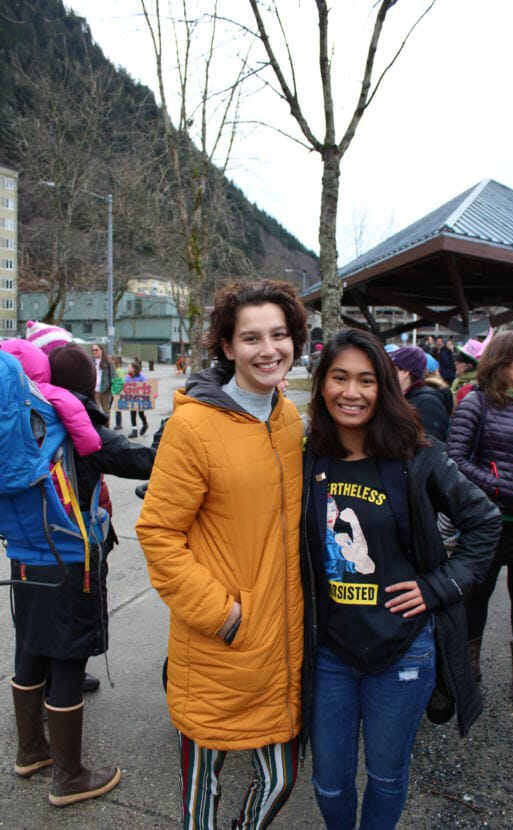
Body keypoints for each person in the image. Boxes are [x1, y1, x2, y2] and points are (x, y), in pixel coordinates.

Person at [300, 328, 500, 830]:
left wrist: (436, 588)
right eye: (340, 378)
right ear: (322, 385)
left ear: (385, 387)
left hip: (403, 650)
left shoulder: (417, 456)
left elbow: (485, 522)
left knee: (387, 777)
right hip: (329, 651)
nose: (352, 391)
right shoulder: (305, 459)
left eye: (367, 380)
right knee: (328, 781)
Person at [136, 280, 308, 830]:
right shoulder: (194, 425)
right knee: (201, 798)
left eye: (279, 335)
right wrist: (225, 616)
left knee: (282, 779)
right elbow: (159, 534)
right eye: (251, 337)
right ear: (227, 346)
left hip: (282, 638)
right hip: (219, 641)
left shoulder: (288, 419)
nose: (268, 349)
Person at [10, 343, 155, 806]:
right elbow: (141, 461)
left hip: (23, 557)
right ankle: (69, 777)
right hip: (70, 561)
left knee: (30, 649)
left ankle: (32, 750)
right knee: (68, 660)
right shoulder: (77, 425)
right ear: (89, 383)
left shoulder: (26, 421)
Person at [447, 330, 513, 708]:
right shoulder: (476, 405)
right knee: (478, 595)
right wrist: (498, 486)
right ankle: (469, 670)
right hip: (490, 520)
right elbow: (455, 460)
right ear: (500, 363)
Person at [389, 345, 452, 442]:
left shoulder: (428, 402)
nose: (387, 372)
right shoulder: (405, 397)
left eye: (391, 368)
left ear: (405, 371)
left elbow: (430, 447)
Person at [92, 343, 114, 424]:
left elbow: (113, 376)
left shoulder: (108, 362)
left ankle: (107, 426)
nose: (94, 352)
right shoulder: (91, 361)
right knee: (95, 410)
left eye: (96, 350)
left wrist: (112, 389)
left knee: (106, 410)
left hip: (105, 389)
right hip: (94, 390)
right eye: (93, 350)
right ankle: (98, 428)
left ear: (101, 350)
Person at [126, 360, 148, 438]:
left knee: (141, 413)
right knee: (132, 413)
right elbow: (125, 386)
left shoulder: (142, 376)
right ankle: (134, 430)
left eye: (129, 367)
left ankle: (145, 424)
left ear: (134, 368)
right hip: (132, 398)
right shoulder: (128, 377)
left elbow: (147, 386)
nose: (128, 368)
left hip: (141, 398)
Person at [111, 355, 125, 430]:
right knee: (108, 408)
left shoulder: (119, 370)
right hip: (111, 391)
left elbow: (122, 381)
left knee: (117, 408)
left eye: (112, 360)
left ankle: (118, 424)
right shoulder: (111, 369)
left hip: (117, 391)